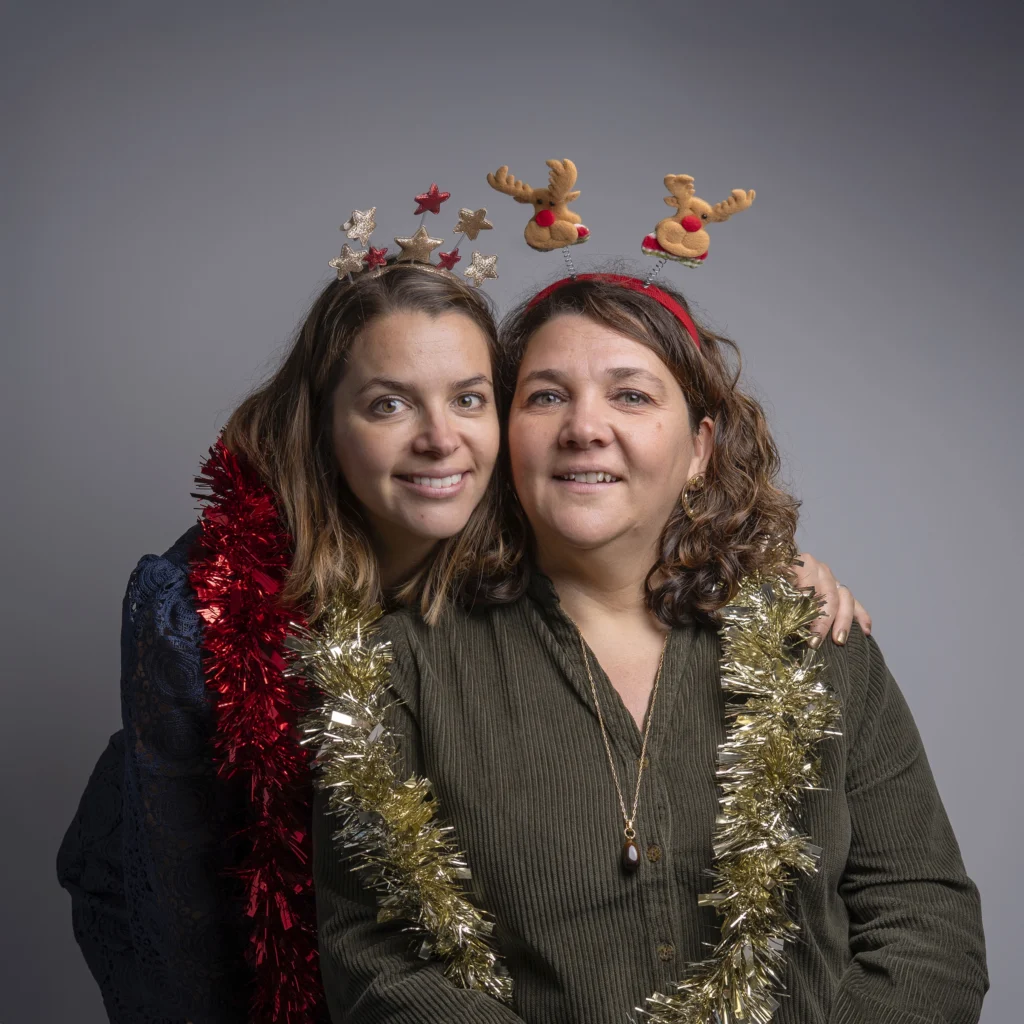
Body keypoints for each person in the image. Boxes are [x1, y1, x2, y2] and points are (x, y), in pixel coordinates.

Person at [57, 252, 863, 1021]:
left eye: (470, 399)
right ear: (326, 427)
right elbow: (180, 905)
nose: (440, 439)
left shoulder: (510, 532)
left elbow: (622, 494)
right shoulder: (207, 603)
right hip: (188, 905)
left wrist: (767, 565)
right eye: (388, 404)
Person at [312, 272, 987, 1024]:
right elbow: (380, 963)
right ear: (506, 437)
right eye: (545, 395)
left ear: (699, 449)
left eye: (630, 395)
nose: (584, 427)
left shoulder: (813, 641)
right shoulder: (400, 668)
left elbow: (924, 919)